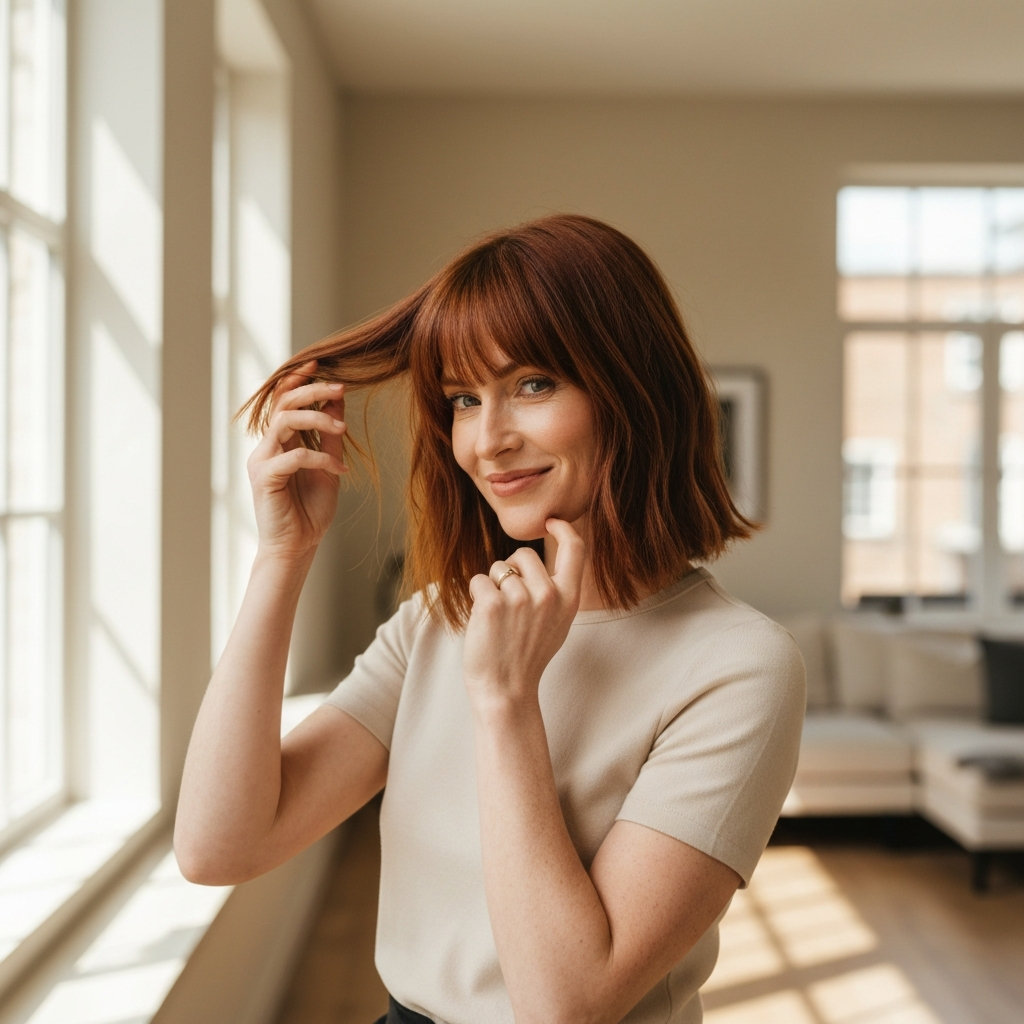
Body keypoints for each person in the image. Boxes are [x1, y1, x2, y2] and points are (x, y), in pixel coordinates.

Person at [174, 214, 805, 1024]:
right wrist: (283, 557)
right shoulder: (441, 619)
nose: (488, 440)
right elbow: (219, 846)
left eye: (534, 384)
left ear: (633, 388)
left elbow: (564, 1003)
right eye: (463, 399)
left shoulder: (739, 665)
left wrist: (507, 706)